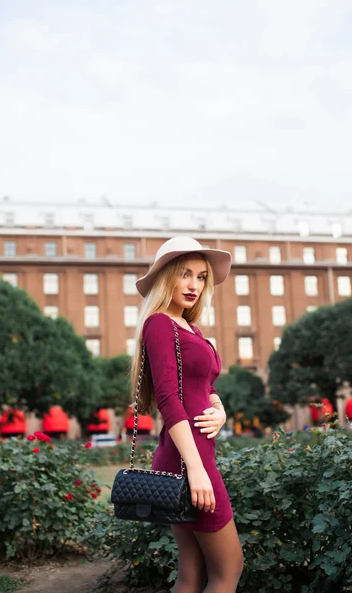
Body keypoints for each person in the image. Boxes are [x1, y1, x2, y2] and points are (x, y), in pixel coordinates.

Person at [131, 236, 244, 593]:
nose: (194, 284)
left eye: (200, 276)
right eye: (184, 274)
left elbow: (203, 386)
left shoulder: (191, 329)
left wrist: (221, 410)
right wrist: (195, 470)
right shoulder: (160, 323)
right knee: (229, 569)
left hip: (190, 454)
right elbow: (168, 397)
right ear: (166, 277)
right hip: (188, 458)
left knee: (192, 570)